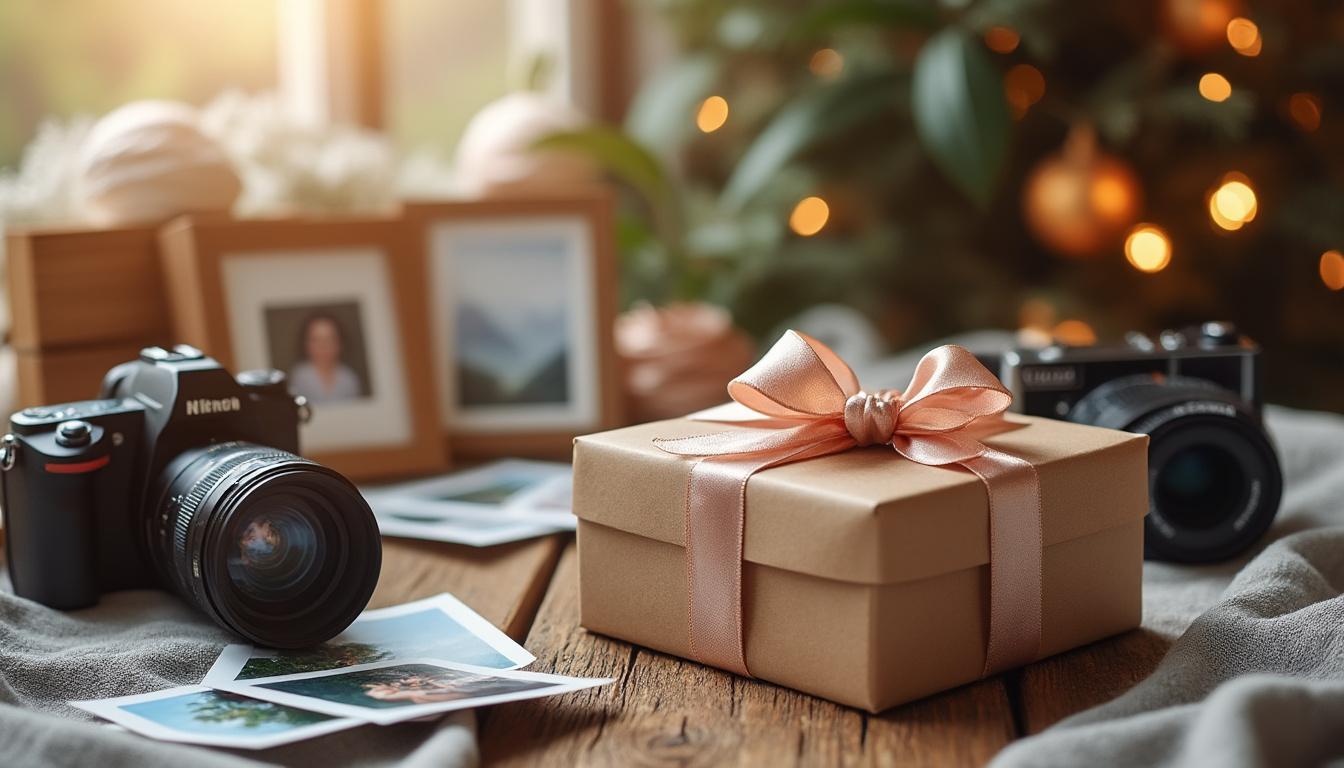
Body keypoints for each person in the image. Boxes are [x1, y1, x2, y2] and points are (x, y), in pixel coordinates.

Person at [287, 312, 364, 403]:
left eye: (329, 339)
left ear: (340, 343)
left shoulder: (349, 378)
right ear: (305, 344)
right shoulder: (299, 376)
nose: (323, 346)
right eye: (316, 340)